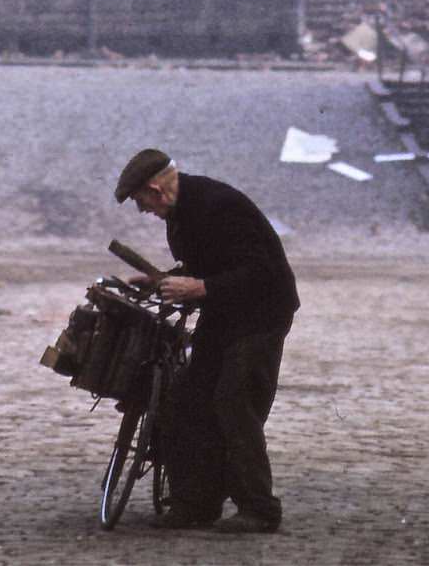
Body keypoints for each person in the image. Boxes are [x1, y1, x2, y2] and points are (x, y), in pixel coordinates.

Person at [113, 148, 299, 535]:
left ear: (156, 190)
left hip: (260, 318)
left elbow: (261, 271)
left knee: (234, 400)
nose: (142, 210)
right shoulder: (180, 215)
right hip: (223, 314)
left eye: (140, 201)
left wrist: (201, 287)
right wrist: (162, 278)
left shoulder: (217, 205)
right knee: (185, 401)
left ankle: (260, 509)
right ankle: (196, 504)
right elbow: (208, 264)